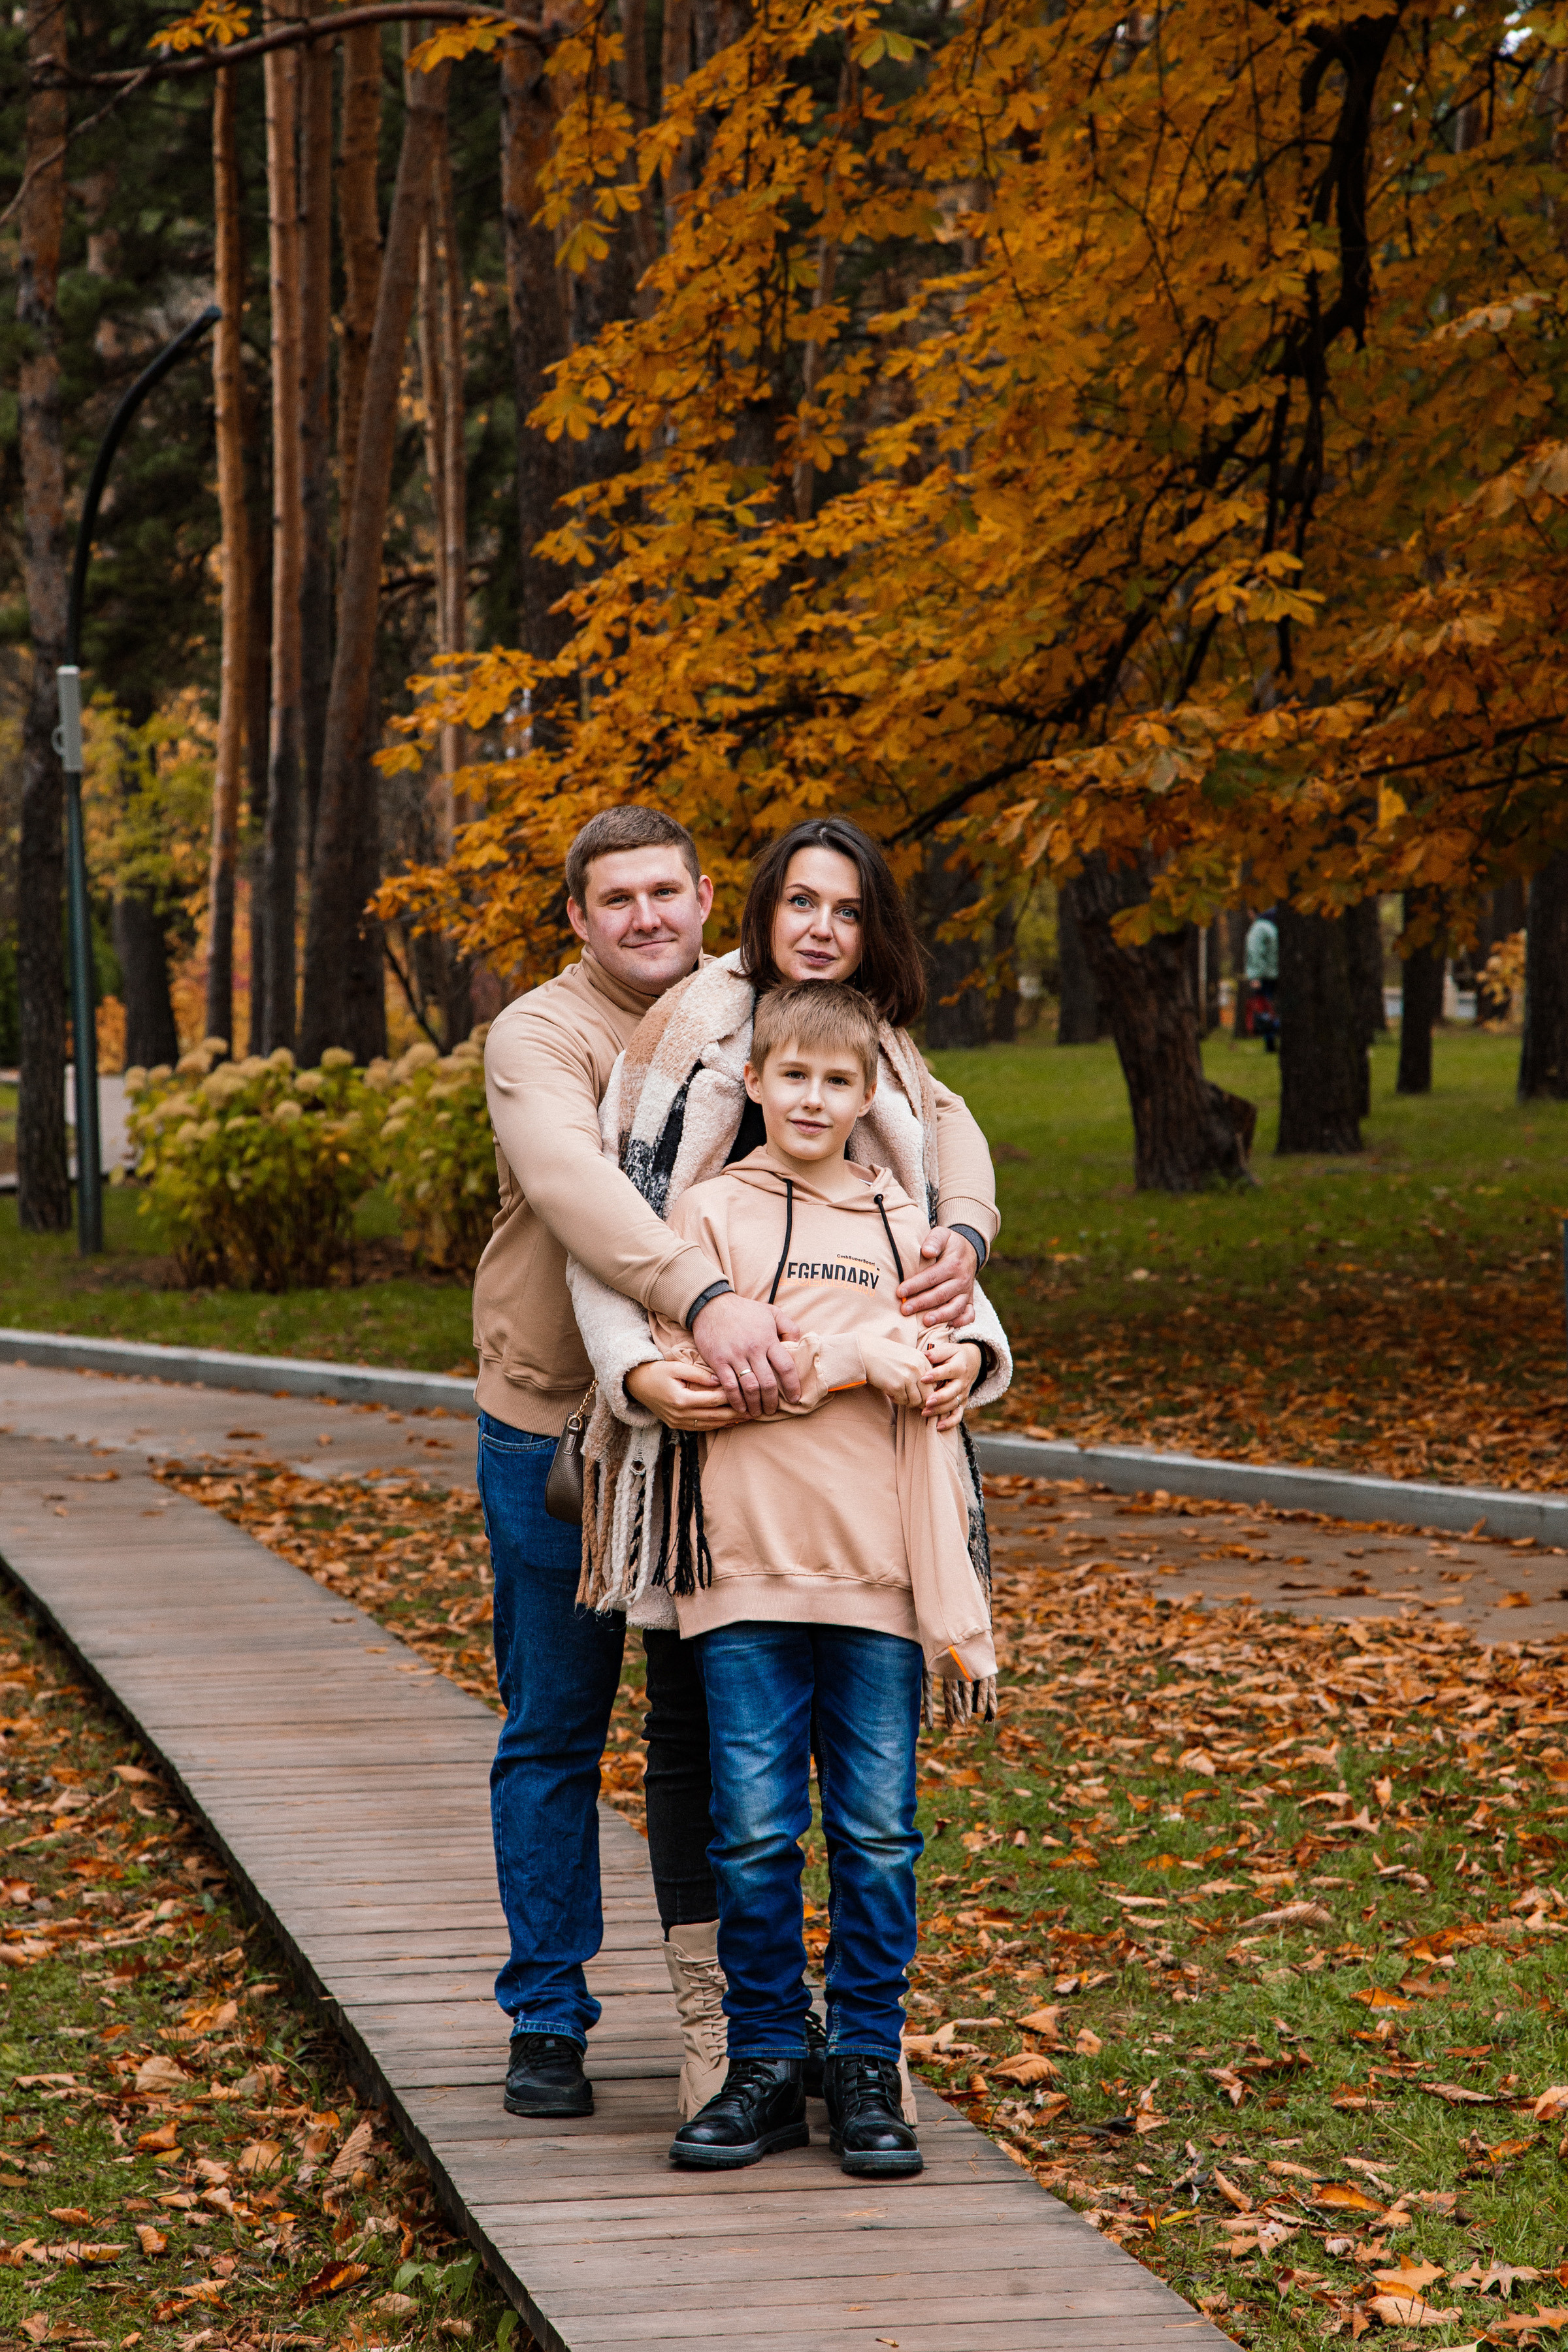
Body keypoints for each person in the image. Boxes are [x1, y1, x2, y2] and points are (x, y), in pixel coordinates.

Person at [475, 806, 987, 2125]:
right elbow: (589, 1203)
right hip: (562, 1419)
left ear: (709, 898)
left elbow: (936, 1118)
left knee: (705, 1731)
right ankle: (548, 2015)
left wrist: (967, 1238)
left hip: (731, 1450)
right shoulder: (546, 1034)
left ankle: (728, 2030)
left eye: (666, 892)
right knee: (555, 1728)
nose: (646, 915)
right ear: (579, 918)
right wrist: (689, 1320)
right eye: (616, 898)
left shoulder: (791, 1025)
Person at [632, 981, 1004, 2176]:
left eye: (838, 1081)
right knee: (751, 1833)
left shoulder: (910, 1226)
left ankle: (865, 2065)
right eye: (792, 1075)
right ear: (754, 1084)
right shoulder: (706, 1215)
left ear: (870, 1097)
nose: (813, 1097)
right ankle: (761, 2064)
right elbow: (712, 1368)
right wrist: (853, 1356)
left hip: (882, 1579)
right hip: (742, 1568)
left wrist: (949, 1367)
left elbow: (965, 1351)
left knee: (880, 1833)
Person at [1244, 907, 1279, 1052]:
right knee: (1271, 1008)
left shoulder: (1259, 928)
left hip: (1264, 976)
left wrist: (1255, 976)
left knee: (1264, 1010)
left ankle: (1270, 1042)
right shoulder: (1273, 927)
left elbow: (1255, 953)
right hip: (1275, 974)